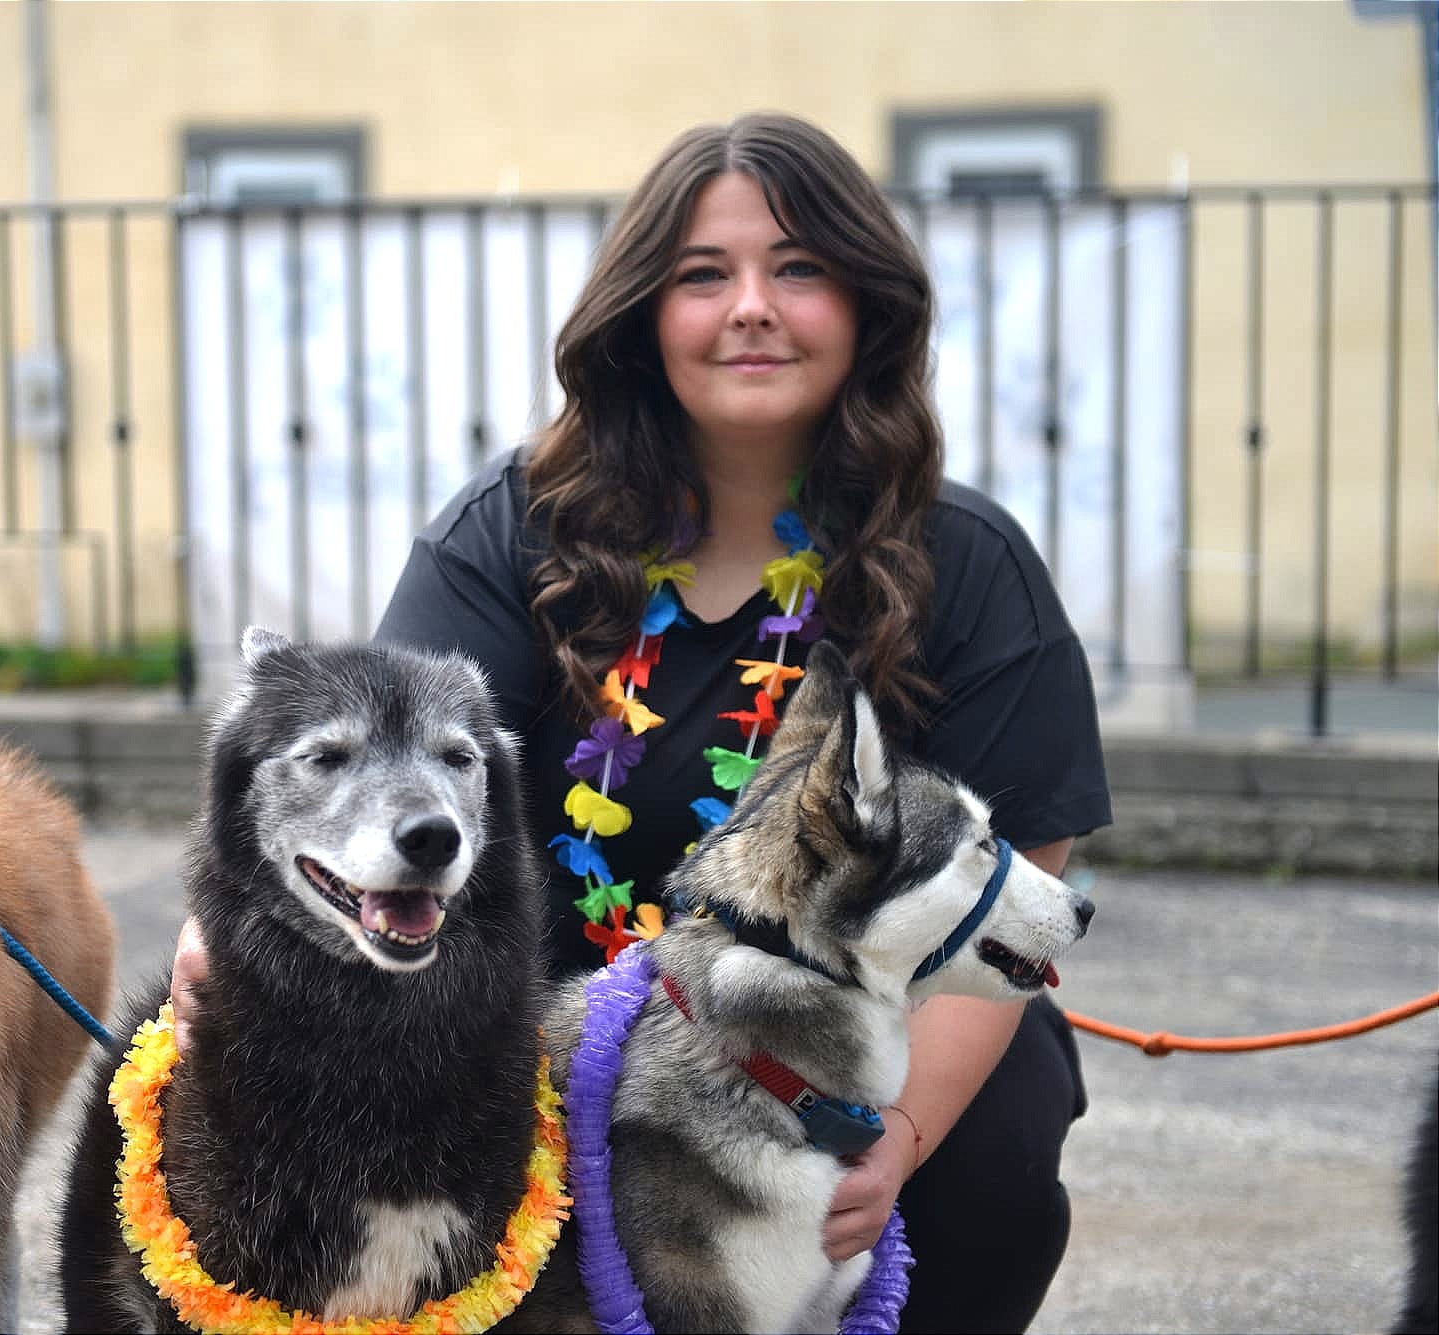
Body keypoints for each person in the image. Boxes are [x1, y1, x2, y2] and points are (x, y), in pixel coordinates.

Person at [176, 111, 1111, 1333]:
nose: (751, 308)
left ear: (865, 304)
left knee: (997, 1149)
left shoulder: (964, 558)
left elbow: (1019, 874)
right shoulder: (515, 529)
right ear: (639, 315)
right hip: (556, 1019)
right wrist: (227, 930)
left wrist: (900, 1129)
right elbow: (369, 762)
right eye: (701, 275)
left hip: (856, 1031)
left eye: (799, 268)